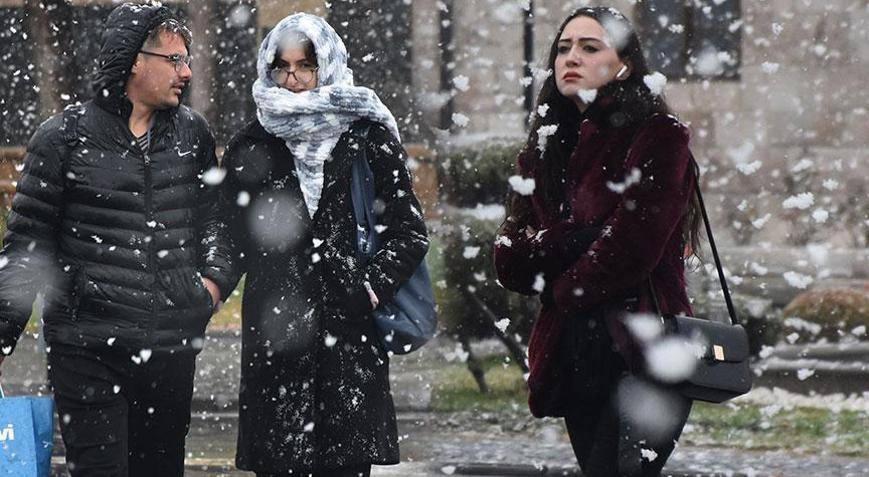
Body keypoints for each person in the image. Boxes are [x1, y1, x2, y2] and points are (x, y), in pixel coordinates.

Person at [0, 3, 233, 476]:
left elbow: (220, 224)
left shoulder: (192, 135)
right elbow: (28, 248)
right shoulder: (63, 140)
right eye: (174, 60)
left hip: (169, 351)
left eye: (188, 60)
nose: (185, 72)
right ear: (133, 61)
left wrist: (208, 290)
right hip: (86, 350)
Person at [210, 13, 429, 477]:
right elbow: (228, 238)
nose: (292, 81)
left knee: (345, 466)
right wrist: (206, 289)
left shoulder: (367, 134)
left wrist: (368, 286)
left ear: (326, 65)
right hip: (276, 342)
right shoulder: (251, 143)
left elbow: (409, 231)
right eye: (281, 67)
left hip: (349, 342)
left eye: (305, 66)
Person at [494, 7, 702, 476]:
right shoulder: (547, 145)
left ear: (624, 64)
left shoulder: (659, 136)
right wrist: (577, 239)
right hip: (573, 354)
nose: (573, 57)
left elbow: (632, 248)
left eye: (591, 47)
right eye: (564, 48)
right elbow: (509, 258)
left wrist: (562, 282)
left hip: (643, 349)